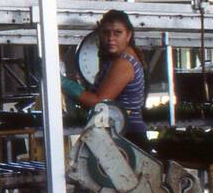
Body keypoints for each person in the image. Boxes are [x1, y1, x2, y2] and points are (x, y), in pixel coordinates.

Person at [60, 9, 149, 149]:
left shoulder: (124, 63)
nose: (110, 38)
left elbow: (99, 102)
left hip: (127, 138)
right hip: (120, 136)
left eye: (117, 33)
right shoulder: (114, 59)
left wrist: (63, 83)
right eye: (106, 32)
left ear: (128, 35)